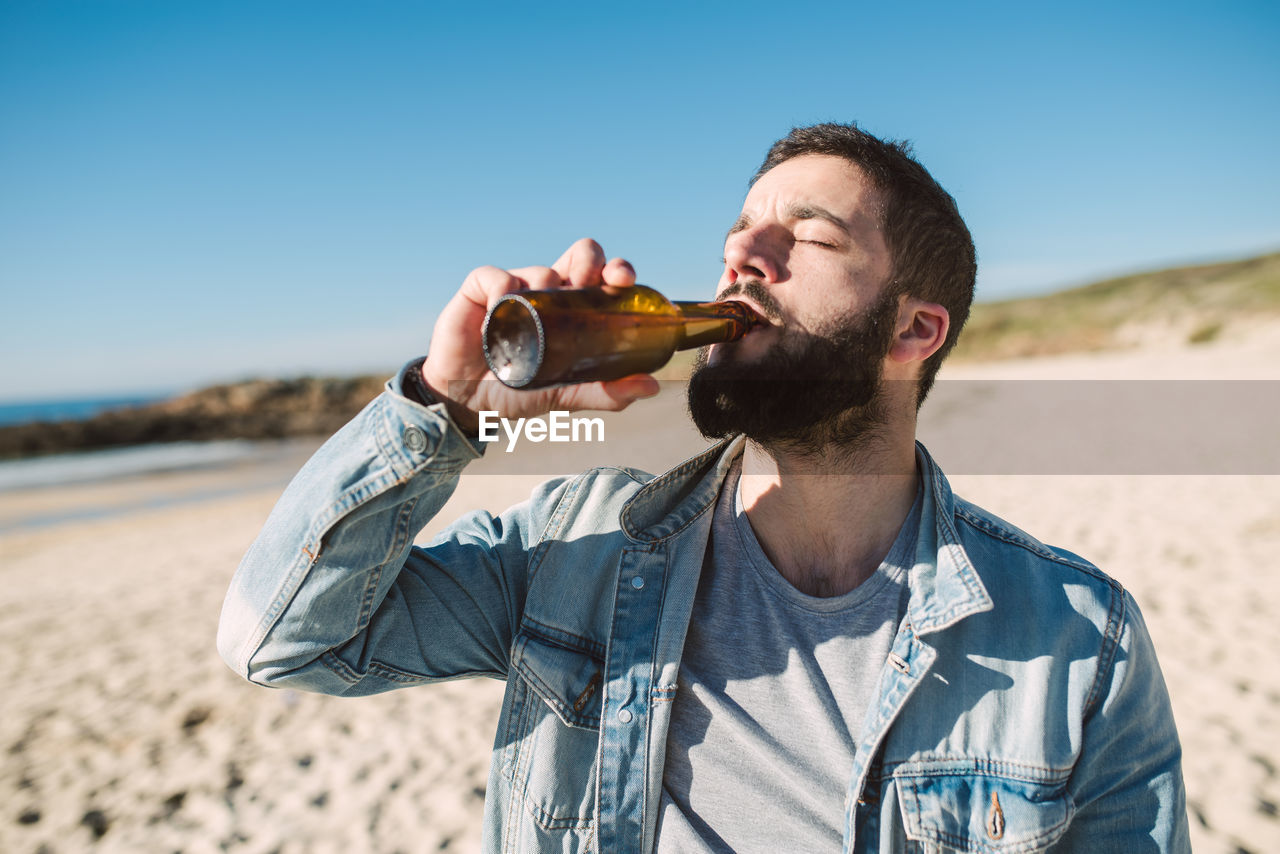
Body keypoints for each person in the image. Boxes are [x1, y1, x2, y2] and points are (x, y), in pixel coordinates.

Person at [218, 122, 1189, 853]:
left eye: (802, 236)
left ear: (912, 330)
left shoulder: (1074, 635)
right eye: (739, 231)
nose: (741, 255)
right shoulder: (577, 544)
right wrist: (447, 403)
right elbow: (282, 637)